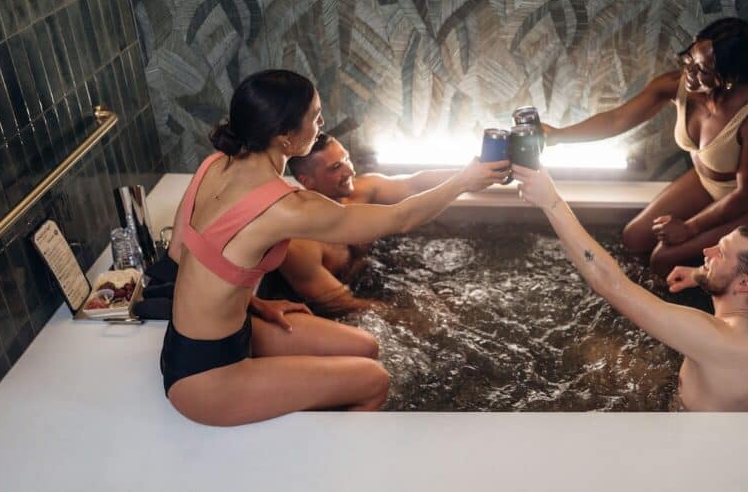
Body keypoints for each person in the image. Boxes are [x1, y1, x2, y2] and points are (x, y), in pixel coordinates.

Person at [161, 69, 509, 425]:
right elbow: (400, 219)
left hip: (203, 340)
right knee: (374, 380)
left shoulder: (213, 165)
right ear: (285, 137)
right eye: (315, 116)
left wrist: (251, 302)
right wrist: (464, 181)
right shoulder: (286, 207)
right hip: (207, 377)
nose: (322, 123)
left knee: (366, 346)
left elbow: (180, 255)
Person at [513, 164, 748, 411]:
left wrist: (551, 201)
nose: (706, 251)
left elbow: (608, 282)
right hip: (733, 427)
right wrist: (699, 274)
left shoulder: (718, 339)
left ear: (746, 283)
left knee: (594, 357)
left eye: (720, 253)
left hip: (691, 444)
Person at [541, 18, 748, 277]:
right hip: (708, 183)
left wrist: (690, 228)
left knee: (663, 259)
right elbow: (617, 119)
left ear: (730, 77)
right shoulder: (677, 85)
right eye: (689, 59)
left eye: (703, 70)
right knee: (634, 238)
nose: (690, 73)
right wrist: (558, 136)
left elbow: (747, 194)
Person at [273, 133, 458, 314]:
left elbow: (415, 184)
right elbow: (340, 303)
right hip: (344, 309)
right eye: (336, 167)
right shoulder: (300, 242)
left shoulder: (362, 191)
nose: (350, 171)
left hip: (373, 274)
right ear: (308, 181)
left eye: (347, 158)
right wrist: (404, 316)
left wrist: (469, 174)